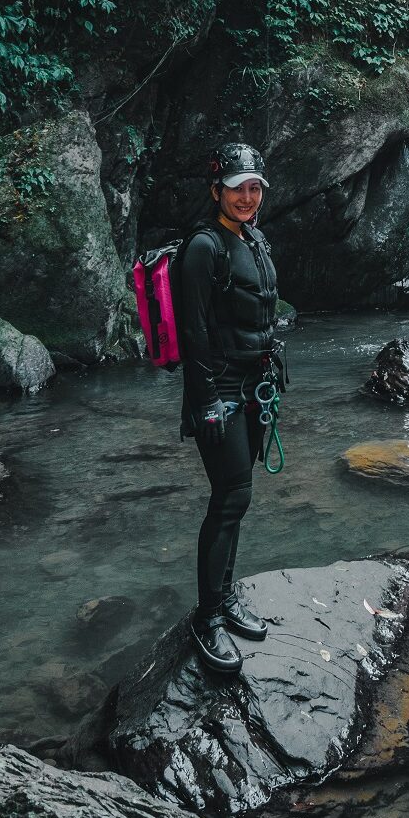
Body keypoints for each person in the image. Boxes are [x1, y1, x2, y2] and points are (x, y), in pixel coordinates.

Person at [176, 139, 284, 674]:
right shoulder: (202, 247)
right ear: (216, 189)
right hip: (219, 392)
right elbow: (193, 335)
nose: (248, 197)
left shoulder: (254, 239)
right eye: (238, 188)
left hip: (253, 386)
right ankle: (207, 619)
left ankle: (225, 597)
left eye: (255, 189)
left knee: (238, 498)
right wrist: (208, 403)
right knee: (229, 496)